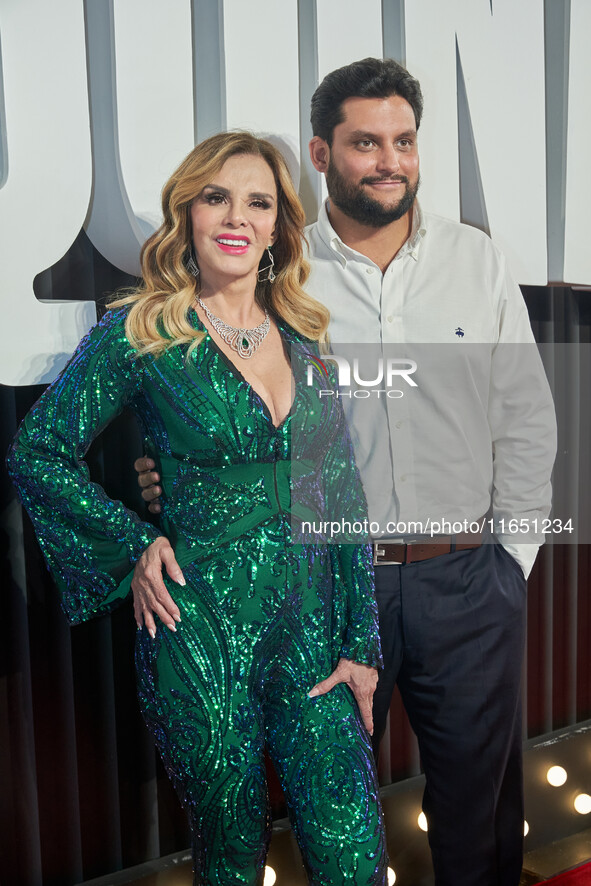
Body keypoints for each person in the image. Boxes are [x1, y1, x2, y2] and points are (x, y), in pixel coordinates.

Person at [137, 59, 557, 886]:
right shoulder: (275, 272)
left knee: (481, 815)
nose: (388, 160)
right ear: (322, 154)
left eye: (402, 141)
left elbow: (525, 419)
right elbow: (208, 402)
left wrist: (511, 562)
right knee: (335, 821)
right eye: (365, 143)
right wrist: (161, 484)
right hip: (323, 587)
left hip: (467, 582)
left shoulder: (475, 260)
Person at [7, 131, 390, 885]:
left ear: (280, 226)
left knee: (354, 855)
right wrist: (132, 546)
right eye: (216, 196)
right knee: (231, 857)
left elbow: (341, 496)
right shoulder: (142, 331)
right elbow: (38, 451)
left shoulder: (308, 343)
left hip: (313, 643)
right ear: (187, 214)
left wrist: (361, 644)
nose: (235, 216)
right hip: (199, 635)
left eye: (258, 202)